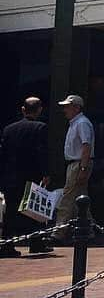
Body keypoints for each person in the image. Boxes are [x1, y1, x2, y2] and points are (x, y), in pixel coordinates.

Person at [0, 97, 51, 257]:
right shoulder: (40, 128)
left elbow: (3, 154)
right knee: (35, 209)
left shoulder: (9, 129)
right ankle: (36, 243)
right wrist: (46, 173)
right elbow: (41, 152)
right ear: (39, 110)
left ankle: (7, 245)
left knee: (11, 211)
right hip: (31, 175)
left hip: (11, 176)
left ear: (23, 109)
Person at [56, 94, 94, 239]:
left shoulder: (82, 123)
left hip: (78, 163)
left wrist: (83, 168)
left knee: (68, 197)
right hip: (76, 163)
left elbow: (86, 146)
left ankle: (58, 232)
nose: (65, 109)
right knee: (80, 199)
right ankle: (88, 229)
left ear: (77, 108)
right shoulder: (75, 123)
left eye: (67, 106)